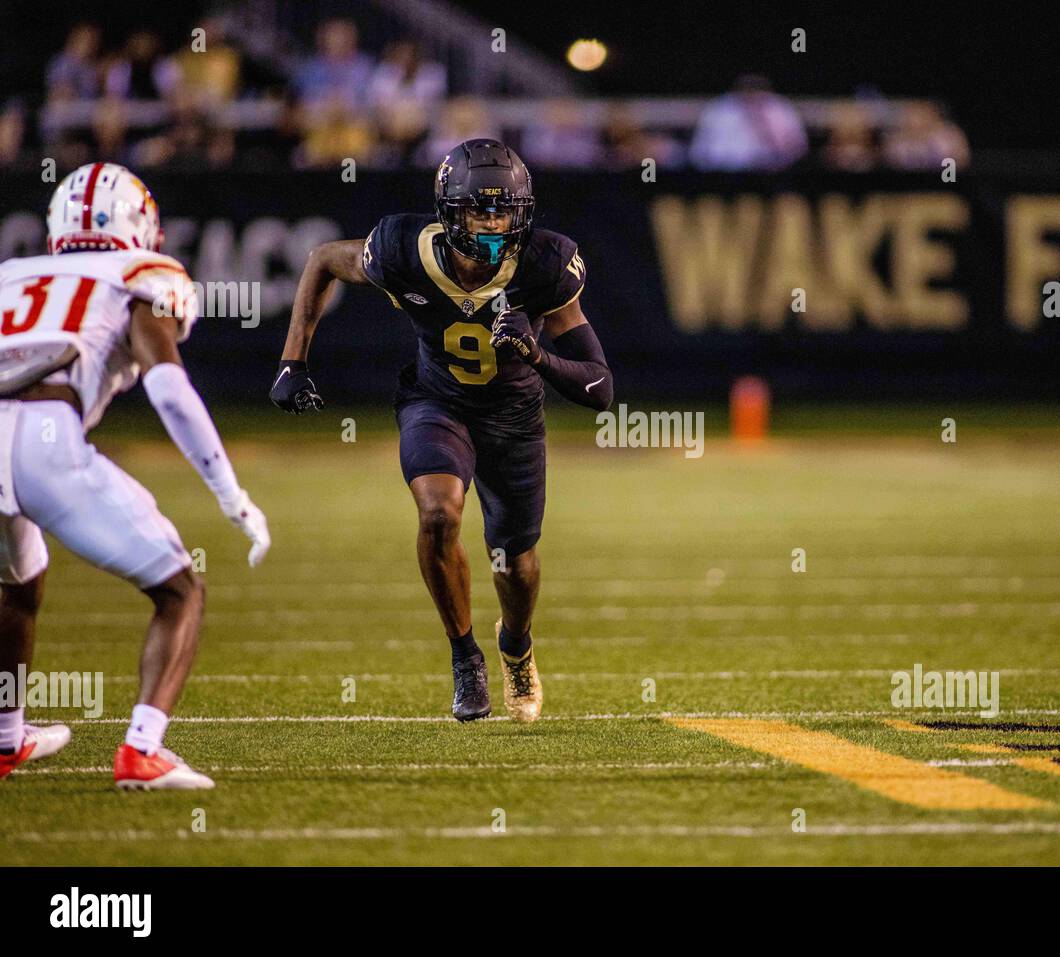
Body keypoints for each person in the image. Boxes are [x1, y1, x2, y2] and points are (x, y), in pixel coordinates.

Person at [272, 139, 613, 723]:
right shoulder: (403, 249)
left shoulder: (544, 265)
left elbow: (601, 389)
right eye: (479, 210)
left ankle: (516, 647)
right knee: (438, 514)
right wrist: (292, 361)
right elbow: (324, 257)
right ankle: (465, 656)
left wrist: (536, 354)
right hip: (438, 401)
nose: (492, 223)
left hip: (513, 418)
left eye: (504, 210)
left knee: (515, 559)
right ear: (448, 213)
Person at [0, 163, 270, 788]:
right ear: (138, 223)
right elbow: (169, 389)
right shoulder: (140, 273)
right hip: (47, 437)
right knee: (180, 591)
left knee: (17, 585)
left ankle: (6, 738)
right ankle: (143, 751)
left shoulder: (12, 275)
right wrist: (230, 494)